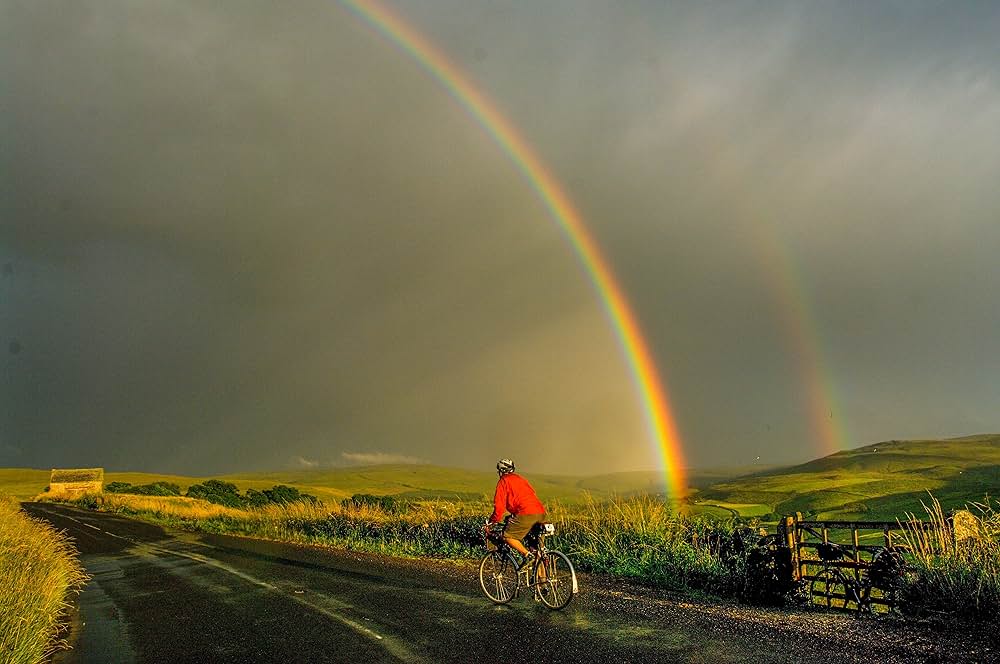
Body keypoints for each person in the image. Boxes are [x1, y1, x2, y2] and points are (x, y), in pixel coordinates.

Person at [488, 458, 545, 565]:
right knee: (537, 550)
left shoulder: (503, 481)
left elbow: (499, 507)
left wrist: (493, 520)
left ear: (501, 471)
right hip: (541, 513)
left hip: (526, 513)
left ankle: (527, 556)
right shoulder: (521, 479)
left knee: (507, 536)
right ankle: (542, 580)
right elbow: (531, 494)